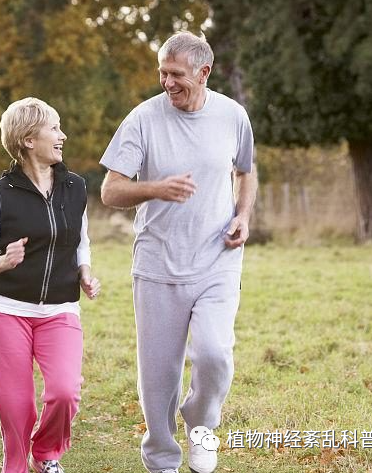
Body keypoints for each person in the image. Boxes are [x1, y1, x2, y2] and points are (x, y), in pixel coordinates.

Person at [99, 32, 257, 473]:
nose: (167, 83)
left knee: (214, 353)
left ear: (203, 73)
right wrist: (156, 188)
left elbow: (246, 173)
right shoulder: (143, 119)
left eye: (176, 74)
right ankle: (162, 460)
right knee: (158, 378)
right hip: (157, 265)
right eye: (162, 73)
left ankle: (202, 427)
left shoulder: (232, 116)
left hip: (217, 261)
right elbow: (110, 190)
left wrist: (243, 215)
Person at [0, 97, 101, 473]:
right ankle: (15, 467)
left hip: (59, 311)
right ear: (28, 139)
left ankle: (45, 453)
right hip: (5, 311)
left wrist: (84, 271)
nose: (63, 135)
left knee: (64, 392)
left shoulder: (76, 188)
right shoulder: (0, 194)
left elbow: (80, 240)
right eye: (54, 128)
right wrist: (2, 261)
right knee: (17, 405)